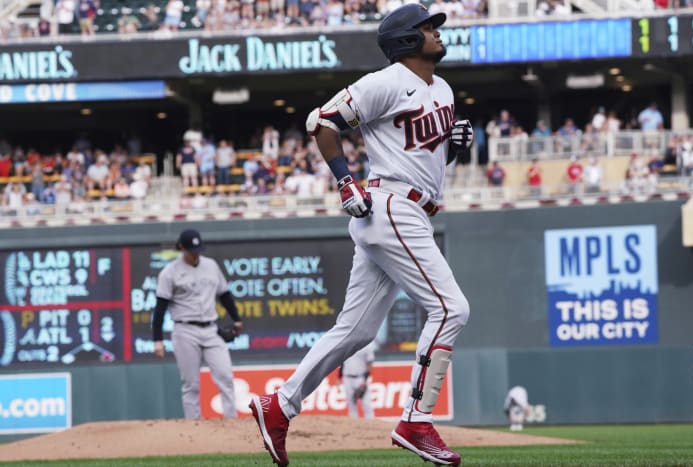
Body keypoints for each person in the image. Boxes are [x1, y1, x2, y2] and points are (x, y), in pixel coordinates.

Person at [249, 5, 472, 467]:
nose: (436, 33)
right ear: (407, 39)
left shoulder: (443, 88)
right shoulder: (384, 82)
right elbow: (321, 121)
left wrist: (450, 149)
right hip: (390, 205)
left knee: (356, 330)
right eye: (427, 28)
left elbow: (421, 160)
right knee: (451, 308)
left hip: (408, 207)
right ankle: (416, 420)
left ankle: (280, 404)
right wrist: (343, 180)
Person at [152, 229, 243, 419]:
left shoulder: (211, 266)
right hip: (185, 330)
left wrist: (236, 318)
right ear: (181, 248)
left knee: (225, 376)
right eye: (191, 250)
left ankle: (233, 423)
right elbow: (160, 307)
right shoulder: (169, 273)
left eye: (198, 249)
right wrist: (157, 340)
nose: (195, 254)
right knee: (191, 385)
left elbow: (224, 294)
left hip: (211, 328)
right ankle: (195, 428)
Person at [339, 342, 375, 419]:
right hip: (347, 377)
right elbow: (342, 362)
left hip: (360, 378)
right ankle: (353, 426)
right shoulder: (347, 345)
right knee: (351, 403)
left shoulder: (366, 346)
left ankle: (371, 423)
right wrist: (339, 377)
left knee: (366, 403)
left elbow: (370, 363)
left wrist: (365, 379)